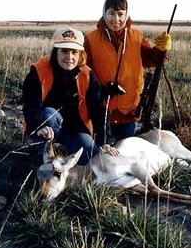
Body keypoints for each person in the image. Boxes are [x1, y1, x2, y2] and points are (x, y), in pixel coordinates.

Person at [22, 27, 119, 165]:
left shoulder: (87, 75)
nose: (69, 57)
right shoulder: (39, 71)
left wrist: (105, 141)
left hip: (76, 130)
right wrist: (39, 127)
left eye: (74, 52)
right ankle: (41, 151)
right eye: (64, 51)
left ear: (81, 54)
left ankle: (67, 151)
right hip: (48, 128)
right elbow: (30, 105)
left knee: (92, 159)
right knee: (49, 114)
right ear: (55, 52)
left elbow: (99, 110)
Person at [84, 0, 172, 141]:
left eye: (120, 14)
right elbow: (85, 71)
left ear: (126, 14)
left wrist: (161, 49)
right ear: (104, 13)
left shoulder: (136, 36)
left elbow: (150, 61)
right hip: (102, 111)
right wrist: (101, 89)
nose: (116, 19)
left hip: (129, 111)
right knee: (103, 155)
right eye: (111, 13)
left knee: (125, 154)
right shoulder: (91, 39)